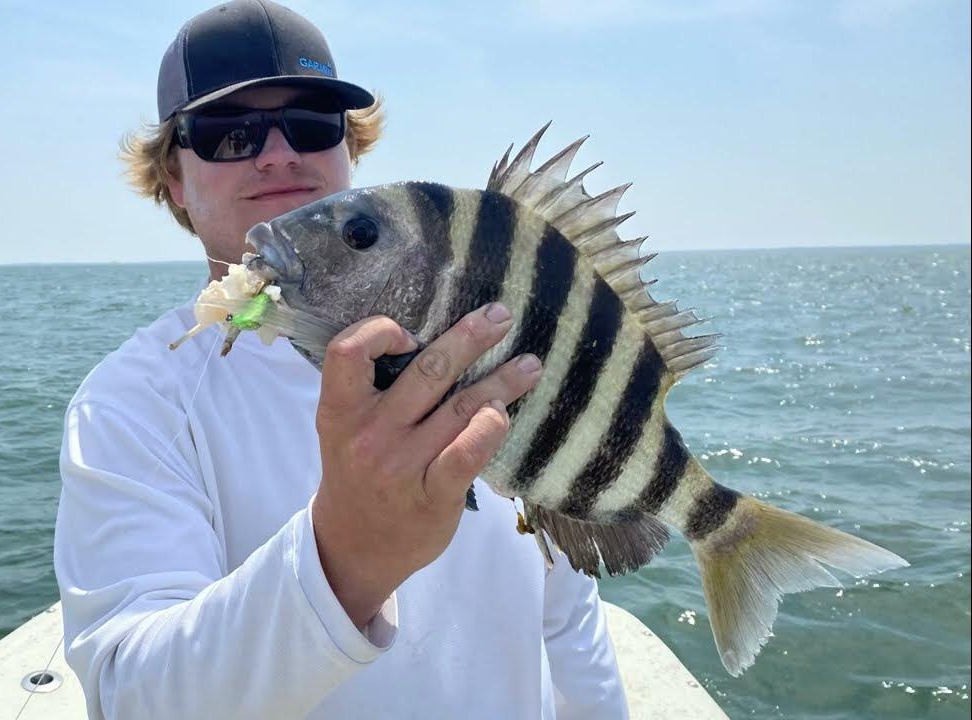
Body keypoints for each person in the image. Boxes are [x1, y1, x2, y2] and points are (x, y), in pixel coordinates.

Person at [53, 2, 630, 718]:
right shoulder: (134, 403)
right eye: (229, 132)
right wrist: (346, 559)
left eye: (310, 122)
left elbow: (565, 615)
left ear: (347, 148)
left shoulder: (477, 334)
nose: (277, 152)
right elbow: (129, 693)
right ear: (172, 176)